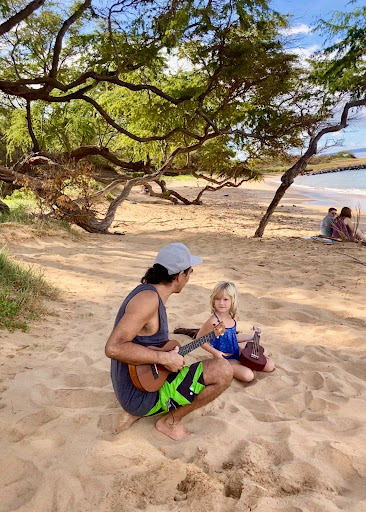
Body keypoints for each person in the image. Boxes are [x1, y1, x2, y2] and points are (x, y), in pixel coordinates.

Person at [105, 243, 233, 440]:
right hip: (139, 397)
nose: (189, 278)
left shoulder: (148, 292)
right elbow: (113, 348)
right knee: (224, 370)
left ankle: (137, 412)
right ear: (180, 275)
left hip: (141, 385)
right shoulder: (148, 301)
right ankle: (169, 421)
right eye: (190, 272)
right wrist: (163, 358)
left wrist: (165, 357)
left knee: (180, 362)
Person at [196, 281, 275, 383]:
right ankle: (236, 368)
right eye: (218, 299)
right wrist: (216, 353)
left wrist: (249, 337)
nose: (221, 303)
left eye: (225, 299)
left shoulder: (230, 317)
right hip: (225, 358)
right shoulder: (213, 321)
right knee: (248, 376)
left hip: (236, 351)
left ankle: (245, 364)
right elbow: (199, 339)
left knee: (270, 366)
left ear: (232, 301)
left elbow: (232, 338)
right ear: (213, 300)